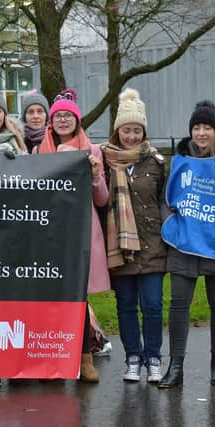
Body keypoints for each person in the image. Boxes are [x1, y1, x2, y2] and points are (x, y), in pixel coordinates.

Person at [35, 88, 110, 382]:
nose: (64, 120)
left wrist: (94, 176)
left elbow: (102, 199)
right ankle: (47, 355)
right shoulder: (38, 153)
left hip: (80, 231)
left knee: (78, 298)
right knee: (48, 297)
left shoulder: (93, 151)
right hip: (49, 232)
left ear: (77, 121)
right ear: (51, 122)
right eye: (59, 116)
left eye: (69, 115)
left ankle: (84, 357)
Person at [101, 88, 166, 383]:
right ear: (117, 131)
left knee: (152, 305)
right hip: (118, 246)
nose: (131, 136)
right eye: (126, 130)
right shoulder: (104, 159)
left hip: (152, 245)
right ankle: (132, 358)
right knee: (125, 306)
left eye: (137, 130)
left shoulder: (156, 162)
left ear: (144, 131)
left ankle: (153, 357)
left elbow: (165, 201)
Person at [158, 101, 215, 388]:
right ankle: (175, 367)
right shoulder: (179, 160)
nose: (201, 133)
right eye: (196, 127)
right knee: (178, 305)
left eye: (207, 127)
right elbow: (167, 198)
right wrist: (171, 224)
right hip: (184, 241)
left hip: (214, 242)